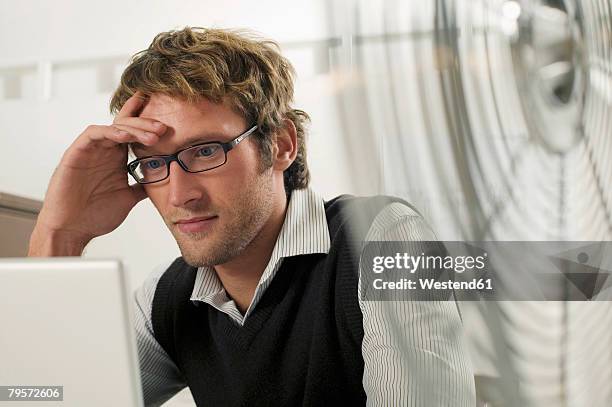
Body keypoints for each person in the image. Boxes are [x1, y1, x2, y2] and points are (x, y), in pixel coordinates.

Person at [28, 27, 475, 406]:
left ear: (281, 144)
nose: (179, 195)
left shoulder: (385, 241)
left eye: (205, 151)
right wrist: (58, 235)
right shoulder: (167, 296)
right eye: (153, 163)